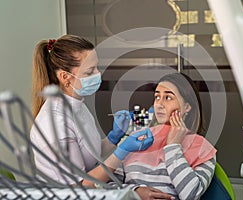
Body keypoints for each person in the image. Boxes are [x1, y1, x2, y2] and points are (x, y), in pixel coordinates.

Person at [30, 35, 174, 199]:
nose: (97, 74)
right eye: (90, 71)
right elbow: (80, 188)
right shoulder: (55, 124)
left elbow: (90, 155)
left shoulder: (77, 105)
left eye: (96, 67)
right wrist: (122, 152)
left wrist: (113, 138)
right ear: (65, 77)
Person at [114, 73, 217, 200]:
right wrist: (134, 192)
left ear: (187, 107)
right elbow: (108, 185)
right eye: (157, 97)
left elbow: (190, 195)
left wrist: (173, 146)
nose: (159, 104)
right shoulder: (136, 139)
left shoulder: (202, 148)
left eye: (168, 98)